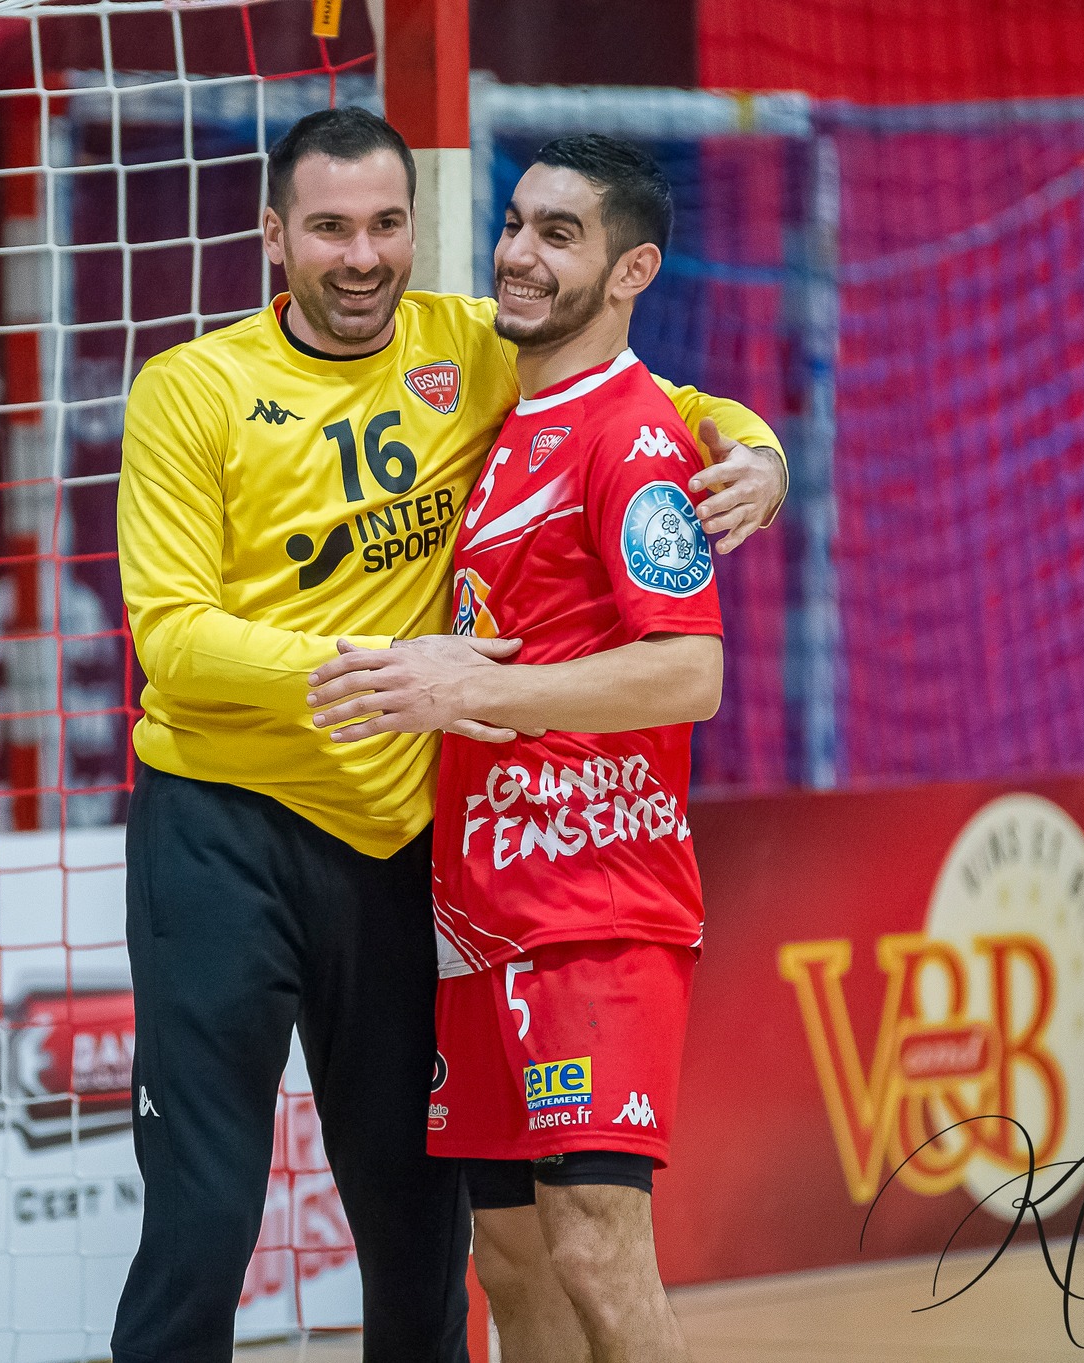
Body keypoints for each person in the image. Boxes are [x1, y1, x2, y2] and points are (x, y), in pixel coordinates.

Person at [112, 107, 783, 1363]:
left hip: (411, 849)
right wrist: (384, 670)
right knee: (205, 1217)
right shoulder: (188, 389)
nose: (361, 256)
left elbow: (645, 397)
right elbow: (174, 639)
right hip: (222, 831)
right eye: (326, 229)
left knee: (426, 1236)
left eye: (384, 225)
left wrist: (758, 446)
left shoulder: (470, 342)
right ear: (271, 237)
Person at [307, 134, 724, 1363]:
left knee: (597, 1244)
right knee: (515, 1265)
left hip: (591, 910)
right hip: (478, 915)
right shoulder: (504, 424)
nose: (519, 256)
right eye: (513, 225)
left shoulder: (632, 440)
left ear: (631, 269)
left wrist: (457, 685)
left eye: (559, 235)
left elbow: (688, 671)